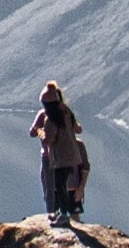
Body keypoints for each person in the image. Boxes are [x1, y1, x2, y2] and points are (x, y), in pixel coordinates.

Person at [31, 82, 89, 226]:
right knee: (61, 185)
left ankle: (61, 214)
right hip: (71, 157)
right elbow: (77, 129)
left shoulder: (50, 120)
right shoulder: (66, 113)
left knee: (58, 187)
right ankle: (60, 214)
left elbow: (48, 139)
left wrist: (40, 131)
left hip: (58, 159)